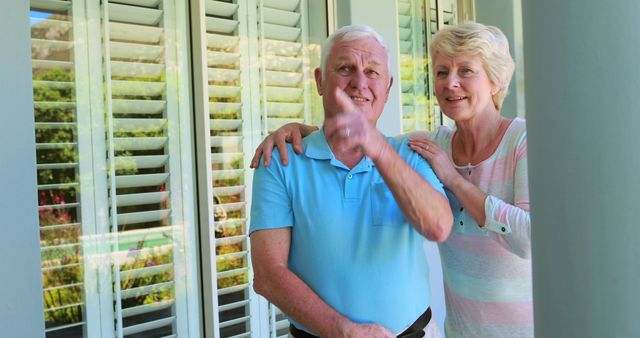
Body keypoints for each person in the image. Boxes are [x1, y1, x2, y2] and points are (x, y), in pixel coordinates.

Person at [252, 22, 532, 338]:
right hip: (463, 330)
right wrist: (297, 129)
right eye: (441, 73)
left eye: (466, 71)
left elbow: (523, 236)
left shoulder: (520, 140)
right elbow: (359, 136)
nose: (451, 83)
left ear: (495, 80)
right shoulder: (432, 144)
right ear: (320, 80)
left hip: (524, 326)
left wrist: (452, 178)